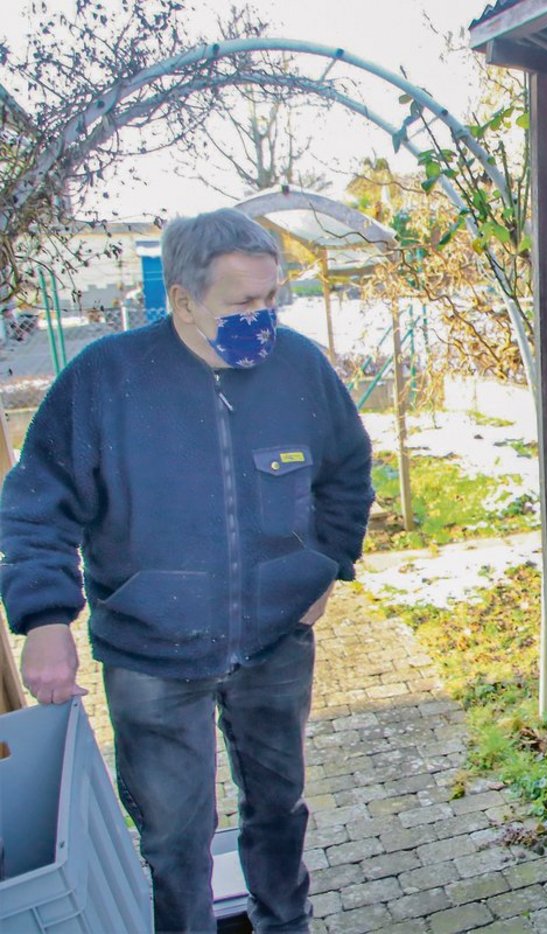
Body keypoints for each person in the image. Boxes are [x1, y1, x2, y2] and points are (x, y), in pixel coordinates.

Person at [1, 208, 374, 933]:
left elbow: (348, 471)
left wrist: (326, 566)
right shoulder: (105, 381)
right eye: (242, 304)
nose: (262, 318)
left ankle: (283, 923)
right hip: (152, 657)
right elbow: (39, 505)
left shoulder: (299, 367)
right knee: (173, 836)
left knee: (278, 807)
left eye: (271, 299)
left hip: (275, 644)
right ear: (182, 300)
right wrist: (45, 621)